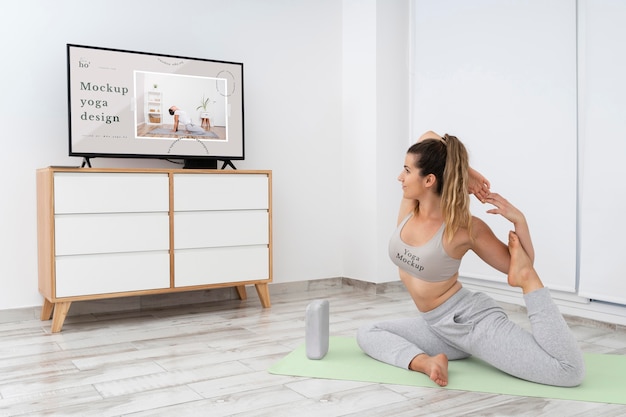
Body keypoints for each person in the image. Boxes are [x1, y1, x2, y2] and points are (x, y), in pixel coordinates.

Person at [356, 131, 585, 388]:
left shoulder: (464, 228)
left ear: (429, 179)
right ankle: (427, 363)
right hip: (435, 327)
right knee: (368, 333)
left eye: (407, 171)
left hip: (469, 323)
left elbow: (520, 263)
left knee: (568, 372)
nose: (400, 177)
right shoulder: (410, 206)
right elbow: (428, 137)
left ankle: (529, 284)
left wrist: (520, 220)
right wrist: (468, 171)